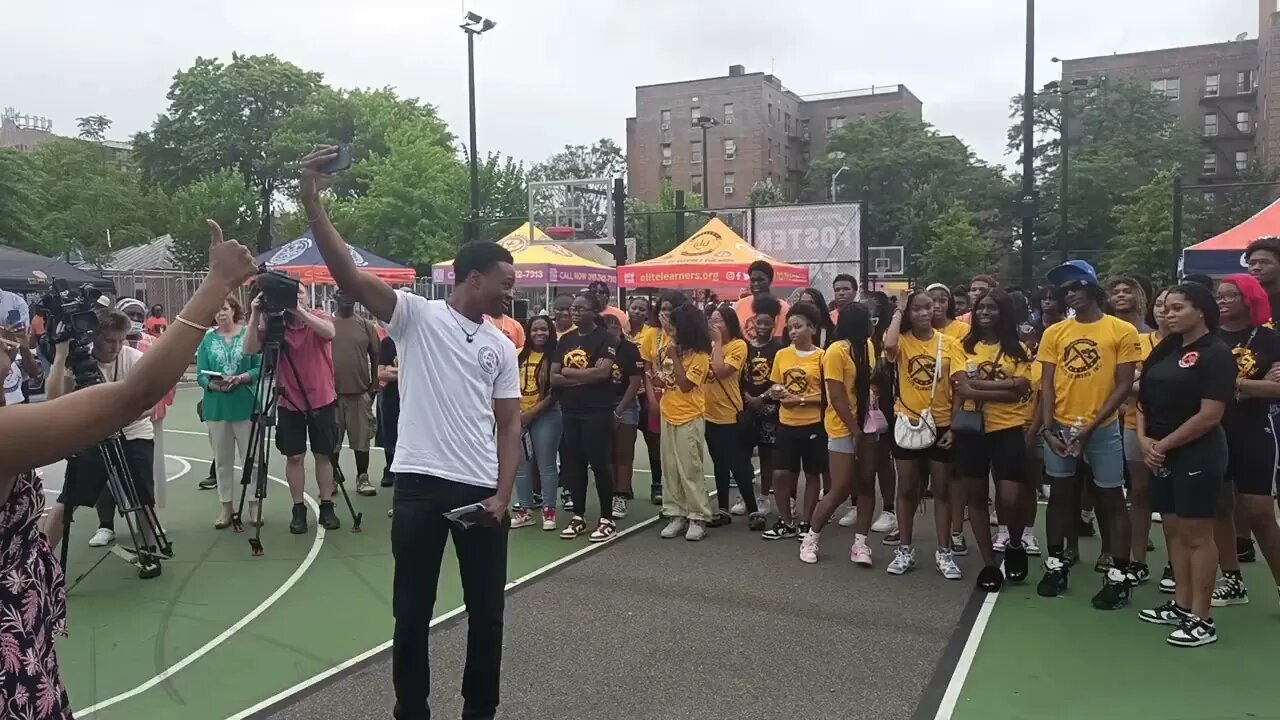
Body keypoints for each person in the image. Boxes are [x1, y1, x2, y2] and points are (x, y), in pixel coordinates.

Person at [0, 221, 255, 720]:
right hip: (11, 661)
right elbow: (131, 397)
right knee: (74, 498)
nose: (8, 348)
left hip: (23, 632)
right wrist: (214, 285)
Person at [300, 146, 521, 720]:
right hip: (421, 487)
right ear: (473, 278)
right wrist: (311, 197)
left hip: (480, 492)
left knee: (488, 614)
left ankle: (480, 711)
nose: (510, 291)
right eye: (504, 281)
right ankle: (412, 711)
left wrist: (502, 493)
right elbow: (346, 270)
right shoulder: (417, 316)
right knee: (412, 612)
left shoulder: (502, 344)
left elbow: (510, 423)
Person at [1035, 260, 1140, 608]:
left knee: (1111, 499)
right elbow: (1047, 384)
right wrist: (1048, 428)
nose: (1071, 294)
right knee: (1060, 495)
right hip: (1061, 426)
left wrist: (1090, 427)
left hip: (1103, 427)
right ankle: (1055, 564)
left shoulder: (1119, 331)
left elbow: (1124, 384)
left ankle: (1119, 575)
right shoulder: (1055, 333)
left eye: (1077, 286)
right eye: (1066, 290)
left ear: (1093, 288)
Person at [1135, 283, 1234, 647]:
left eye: (1177, 307)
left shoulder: (1216, 353)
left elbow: (1210, 415)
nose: (1168, 313)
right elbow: (1143, 399)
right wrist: (1145, 440)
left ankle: (1202, 618)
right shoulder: (1167, 349)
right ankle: (1181, 604)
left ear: (1201, 311)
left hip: (1198, 453)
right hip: (1161, 451)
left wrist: (1164, 444)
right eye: (1165, 307)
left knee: (1197, 536)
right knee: (1174, 532)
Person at [42, 307, 166, 576]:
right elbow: (53, 400)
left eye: (121, 340)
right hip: (93, 436)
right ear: (94, 337)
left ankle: (149, 550)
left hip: (134, 433)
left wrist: (119, 418)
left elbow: (149, 402)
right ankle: (41, 559)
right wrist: (61, 355)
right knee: (69, 498)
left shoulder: (133, 358)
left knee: (143, 497)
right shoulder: (79, 362)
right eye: (110, 340)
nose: (117, 346)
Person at [953, 289, 1034, 591]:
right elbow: (962, 388)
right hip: (972, 431)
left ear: (1003, 312)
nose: (985, 312)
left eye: (992, 308)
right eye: (981, 307)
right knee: (975, 496)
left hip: (1008, 427)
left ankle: (1014, 543)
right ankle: (989, 563)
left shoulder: (1018, 350)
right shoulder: (963, 346)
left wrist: (979, 388)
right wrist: (1006, 385)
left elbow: (1023, 389)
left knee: (1010, 498)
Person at [244, 281, 341, 534]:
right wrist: (256, 314)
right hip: (289, 399)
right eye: (291, 294)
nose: (296, 297)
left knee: (324, 454)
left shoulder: (317, 316)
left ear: (307, 296)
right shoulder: (276, 324)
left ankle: (327, 504)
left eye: (300, 292)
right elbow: (250, 349)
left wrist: (298, 310)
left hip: (321, 397)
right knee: (294, 455)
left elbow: (329, 333)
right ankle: (298, 508)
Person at [882, 290, 965, 578]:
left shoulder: (950, 343)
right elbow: (888, 344)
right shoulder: (903, 341)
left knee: (942, 490)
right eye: (916, 309)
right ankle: (905, 549)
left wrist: (954, 427)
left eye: (927, 307)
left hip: (940, 423)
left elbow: (959, 389)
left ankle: (944, 552)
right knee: (907, 488)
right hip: (907, 423)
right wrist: (898, 309)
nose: (923, 313)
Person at [1209, 274, 1280, 607]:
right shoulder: (1207, 337)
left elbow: (1277, 388)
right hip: (1212, 430)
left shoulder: (1268, 339)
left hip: (1254, 429)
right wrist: (1253, 384)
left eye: (1230, 295)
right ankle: (1233, 580)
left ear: (1248, 298)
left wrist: (1232, 385)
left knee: (1260, 511)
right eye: (1219, 296)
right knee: (1220, 507)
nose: (1222, 301)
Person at [801, 303, 875, 564]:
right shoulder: (836, 351)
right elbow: (836, 396)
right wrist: (855, 430)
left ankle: (860, 544)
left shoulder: (867, 347)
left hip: (868, 425)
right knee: (840, 487)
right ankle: (811, 537)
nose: (872, 324)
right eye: (868, 319)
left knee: (866, 485)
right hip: (843, 426)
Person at [551, 292, 618, 541]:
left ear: (594, 312)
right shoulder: (565, 340)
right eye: (572, 309)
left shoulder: (606, 338)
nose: (574, 313)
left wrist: (569, 374)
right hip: (571, 411)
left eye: (580, 309)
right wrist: (582, 377)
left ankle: (606, 518)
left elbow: (602, 373)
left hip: (596, 410)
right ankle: (578, 516)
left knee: (600, 464)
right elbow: (554, 376)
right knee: (574, 465)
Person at [761, 302, 828, 540]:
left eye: (798, 326)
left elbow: (828, 395)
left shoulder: (822, 357)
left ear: (811, 328)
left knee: (811, 475)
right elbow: (775, 384)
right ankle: (787, 521)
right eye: (790, 328)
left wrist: (799, 399)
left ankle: (807, 522)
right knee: (780, 474)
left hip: (813, 425)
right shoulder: (782, 354)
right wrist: (777, 391)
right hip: (786, 424)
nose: (793, 331)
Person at [196, 295, 261, 528]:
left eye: (224, 309)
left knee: (251, 459)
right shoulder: (207, 340)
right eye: (216, 310)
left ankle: (255, 505)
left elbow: (258, 367)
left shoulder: (249, 334)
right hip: (217, 406)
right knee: (222, 460)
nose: (221, 314)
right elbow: (200, 374)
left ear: (234, 310)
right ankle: (226, 507)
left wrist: (242, 378)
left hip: (245, 403)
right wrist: (212, 384)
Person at [1109, 276, 1158, 582]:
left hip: (1159, 422)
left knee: (1157, 493)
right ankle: (1131, 555)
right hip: (1118, 419)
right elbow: (1117, 382)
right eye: (1116, 291)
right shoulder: (1106, 333)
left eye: (1129, 290)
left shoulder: (1156, 338)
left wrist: (1137, 385)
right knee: (1132, 490)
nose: (1122, 295)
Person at [656, 303, 714, 541]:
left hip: (689, 416)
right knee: (669, 468)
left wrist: (674, 358)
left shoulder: (700, 356)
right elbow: (667, 378)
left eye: (676, 326)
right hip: (668, 413)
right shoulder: (674, 350)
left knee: (690, 468)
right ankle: (675, 513)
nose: (673, 330)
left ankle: (697, 516)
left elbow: (686, 385)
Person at [704, 303, 760, 527]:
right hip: (708, 414)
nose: (714, 324)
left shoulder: (738, 346)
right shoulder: (708, 346)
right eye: (712, 320)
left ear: (729, 324)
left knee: (739, 464)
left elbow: (721, 371)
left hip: (729, 414)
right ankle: (723, 509)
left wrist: (717, 342)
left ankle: (754, 509)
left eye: (719, 321)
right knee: (719, 463)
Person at [512, 315, 562, 531]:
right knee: (521, 465)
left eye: (543, 329)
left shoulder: (555, 357)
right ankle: (525, 510)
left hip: (546, 415)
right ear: (528, 333)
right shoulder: (518, 356)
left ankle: (549, 510)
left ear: (550, 331)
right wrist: (517, 414)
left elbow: (555, 393)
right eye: (534, 330)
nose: (539, 333)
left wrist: (531, 414)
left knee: (546, 464)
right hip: (518, 415)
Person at [332, 288, 381, 496]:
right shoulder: (326, 324)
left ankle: (363, 477)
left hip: (360, 392)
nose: (347, 298)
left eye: (351, 294)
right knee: (331, 441)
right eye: (342, 294)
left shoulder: (366, 326)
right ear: (335, 297)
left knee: (362, 439)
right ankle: (331, 479)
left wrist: (374, 384)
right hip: (331, 395)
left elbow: (376, 354)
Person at [741, 294, 784, 517]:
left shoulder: (778, 349)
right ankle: (745, 493)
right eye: (760, 322)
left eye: (768, 323)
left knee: (767, 456)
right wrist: (748, 398)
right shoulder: (745, 348)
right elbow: (740, 377)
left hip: (769, 410)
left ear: (774, 323)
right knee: (743, 454)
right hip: (747, 408)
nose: (763, 326)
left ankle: (764, 496)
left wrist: (763, 399)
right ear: (753, 322)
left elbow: (780, 381)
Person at [603, 313, 643, 519]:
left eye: (615, 327)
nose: (611, 330)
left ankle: (621, 495)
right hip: (602, 404)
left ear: (621, 330)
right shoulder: (599, 348)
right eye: (606, 327)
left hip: (625, 403)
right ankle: (611, 491)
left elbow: (635, 383)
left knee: (623, 452)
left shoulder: (629, 349)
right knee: (608, 452)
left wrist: (618, 411)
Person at [628, 296, 663, 504]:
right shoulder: (620, 331)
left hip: (646, 394)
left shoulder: (651, 334)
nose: (638, 312)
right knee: (625, 444)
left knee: (653, 442)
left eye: (642, 309)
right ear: (628, 310)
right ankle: (624, 486)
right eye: (634, 308)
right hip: (625, 396)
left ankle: (657, 484)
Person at [733, 260, 790, 340]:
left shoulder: (784, 308)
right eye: (753, 280)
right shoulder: (739, 305)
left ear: (770, 281)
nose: (756, 284)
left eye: (760, 280)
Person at [377, 332, 400, 489]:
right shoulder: (388, 342)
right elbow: (381, 373)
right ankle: (390, 469)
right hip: (391, 397)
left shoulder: (419, 340)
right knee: (390, 434)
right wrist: (407, 370)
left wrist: (394, 370)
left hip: (414, 397)